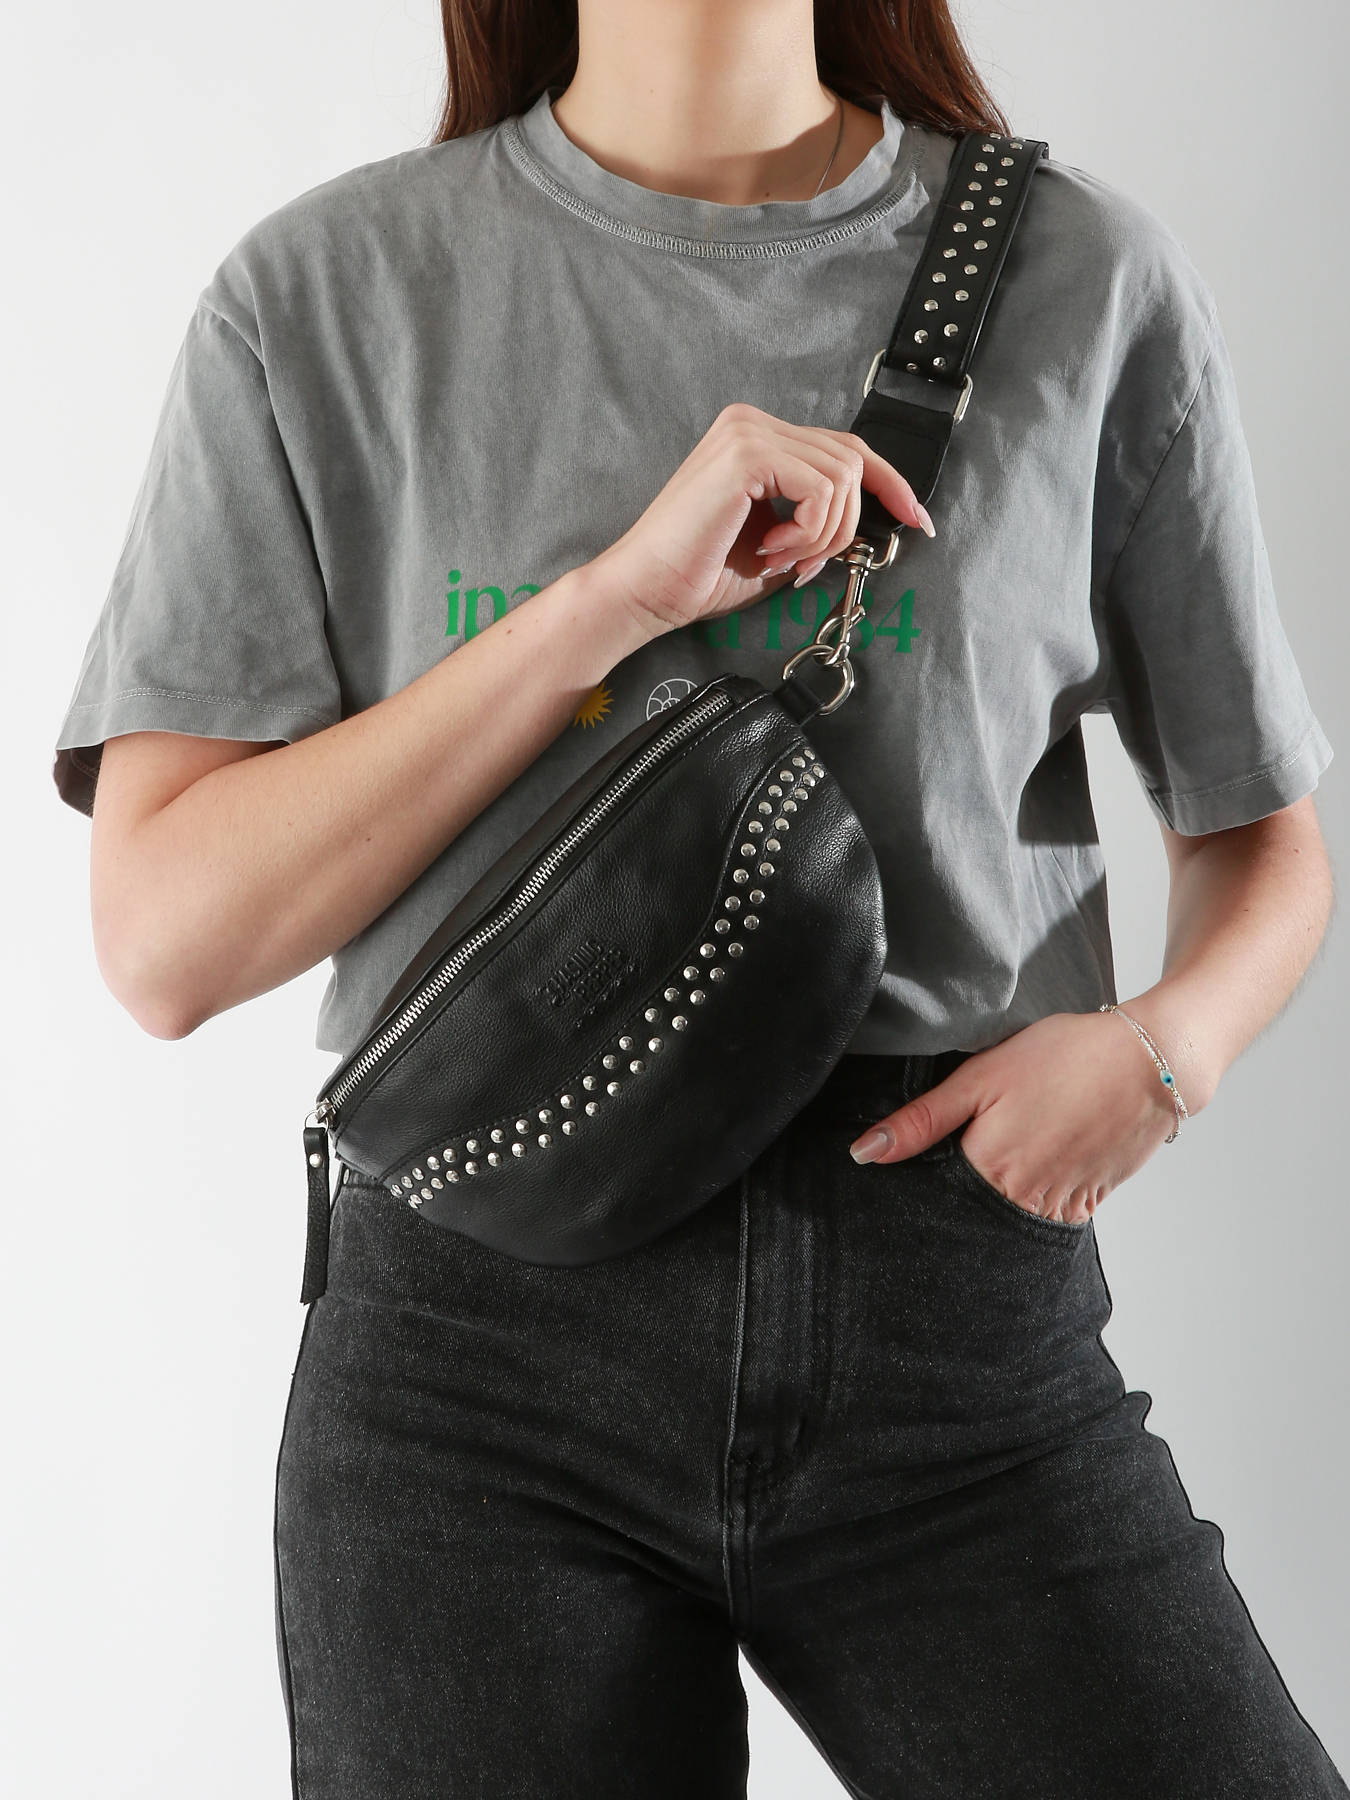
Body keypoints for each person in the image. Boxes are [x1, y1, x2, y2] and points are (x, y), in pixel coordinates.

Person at [50, 2, 1345, 1795]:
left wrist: (1160, 1053)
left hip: (951, 1316)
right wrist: (607, 605)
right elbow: (165, 943)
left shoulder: (1084, 277)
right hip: (478, 1361)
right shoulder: (322, 295)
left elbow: (1262, 834)